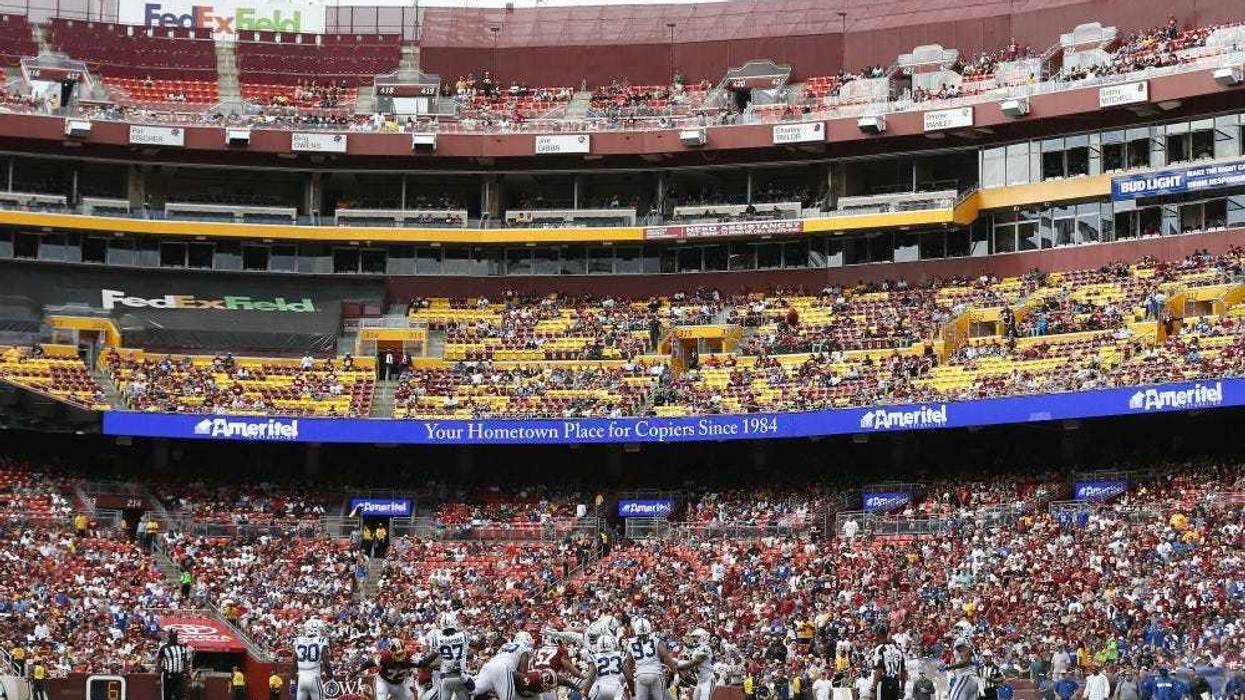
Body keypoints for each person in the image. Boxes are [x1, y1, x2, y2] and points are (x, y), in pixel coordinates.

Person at [418, 611, 473, 700]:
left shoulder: (438, 638)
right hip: (457, 675)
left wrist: (423, 663)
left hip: (445, 675)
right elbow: (472, 649)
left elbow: (432, 655)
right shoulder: (463, 635)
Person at [624, 617, 676, 700]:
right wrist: (675, 671)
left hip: (640, 675)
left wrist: (630, 683)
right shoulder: (655, 640)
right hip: (656, 673)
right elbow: (666, 656)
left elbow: (628, 664)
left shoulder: (631, 643)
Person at [295, 618, 333, 700]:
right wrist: (331, 678)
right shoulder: (321, 640)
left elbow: (293, 662)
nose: (322, 632)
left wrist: (292, 681)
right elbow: (326, 662)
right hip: (314, 678)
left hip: (301, 678)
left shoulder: (298, 640)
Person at [674, 628, 714, 700]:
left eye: (696, 637)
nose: (694, 639)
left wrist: (678, 667)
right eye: (694, 637)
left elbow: (693, 663)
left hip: (708, 679)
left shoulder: (705, 648)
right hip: (700, 680)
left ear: (702, 637)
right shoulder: (696, 649)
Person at [871, 625, 905, 700]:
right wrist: (902, 689)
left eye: (876, 634)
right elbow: (903, 671)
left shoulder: (880, 649)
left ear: (880, 634)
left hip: (884, 683)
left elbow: (878, 670)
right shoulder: (898, 649)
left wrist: (873, 688)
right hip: (896, 683)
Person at [158, 629, 193, 700]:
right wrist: (159, 671)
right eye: (172, 636)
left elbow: (185, 662)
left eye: (175, 636)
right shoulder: (164, 648)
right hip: (168, 674)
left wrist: (187, 673)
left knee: (179, 695)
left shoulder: (182, 648)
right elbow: (159, 660)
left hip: (179, 675)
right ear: (169, 636)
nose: (174, 637)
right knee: (167, 695)